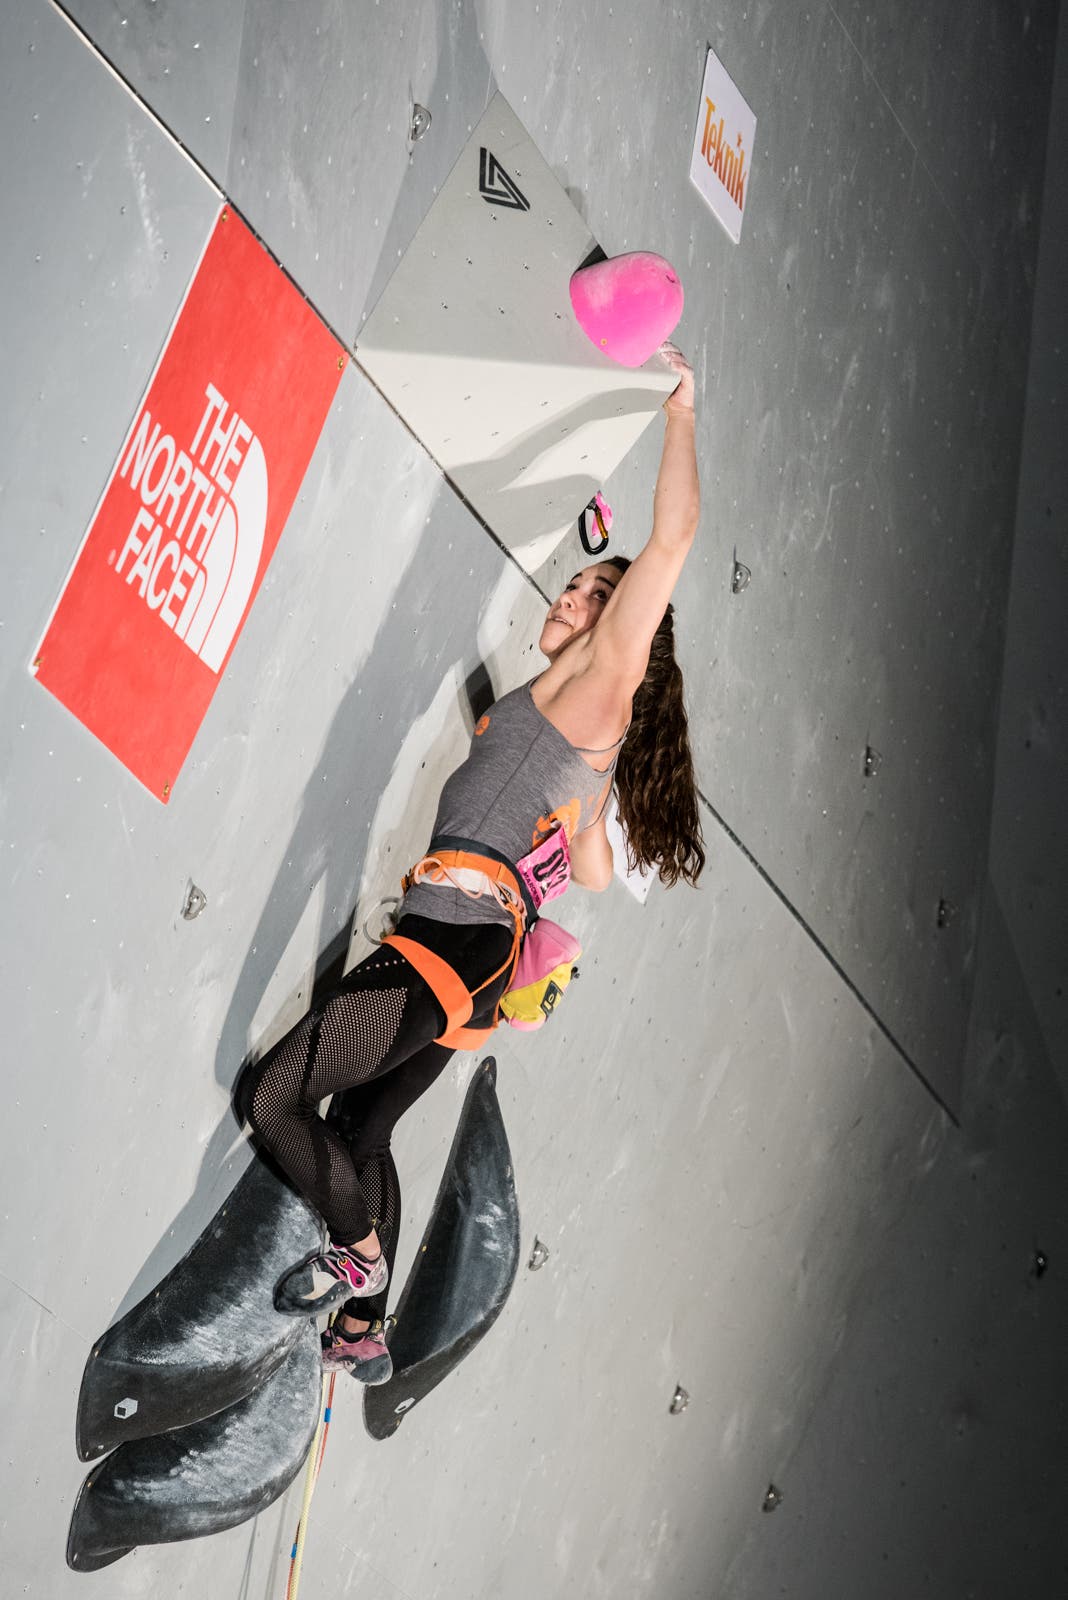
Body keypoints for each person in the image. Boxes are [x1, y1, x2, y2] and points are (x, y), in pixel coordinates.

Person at [242, 344, 705, 1385]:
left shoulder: (594, 684)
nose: (570, 595)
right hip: (463, 954)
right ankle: (367, 1329)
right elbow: (586, 872)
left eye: (589, 592)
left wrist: (683, 408)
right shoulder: (582, 734)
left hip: (452, 944)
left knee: (275, 1102)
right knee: (362, 1127)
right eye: (581, 580)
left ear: (614, 632)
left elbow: (671, 540)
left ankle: (358, 1262)